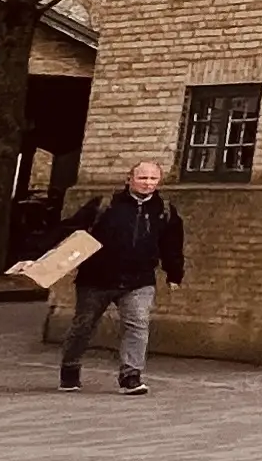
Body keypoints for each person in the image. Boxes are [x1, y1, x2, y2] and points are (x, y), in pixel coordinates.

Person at [59, 160, 187, 394]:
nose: (148, 183)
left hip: (138, 280)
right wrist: (48, 259)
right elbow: (70, 229)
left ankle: (131, 375)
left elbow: (172, 245)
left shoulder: (165, 210)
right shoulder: (105, 205)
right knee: (83, 325)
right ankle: (70, 369)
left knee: (138, 324)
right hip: (97, 278)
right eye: (142, 178)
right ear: (129, 179)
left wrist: (174, 273)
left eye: (153, 179)